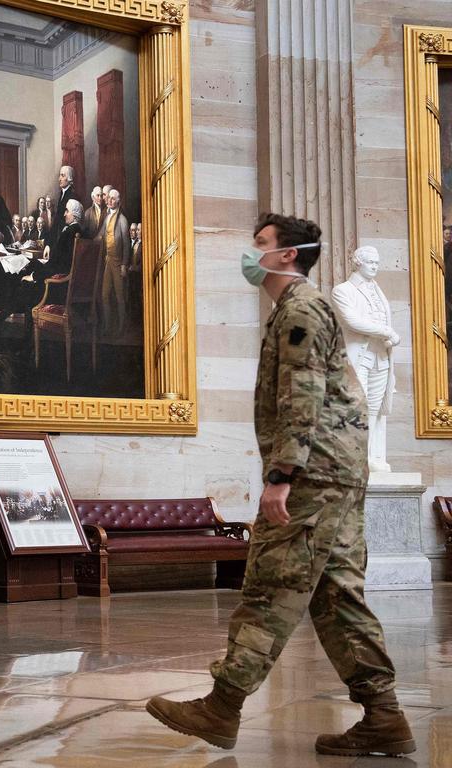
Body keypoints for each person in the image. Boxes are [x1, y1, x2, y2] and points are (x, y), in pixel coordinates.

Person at [146, 213, 415, 758]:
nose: (252, 253)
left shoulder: (303, 309)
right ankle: (383, 716)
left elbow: (303, 392)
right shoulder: (298, 309)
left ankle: (222, 706)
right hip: (333, 469)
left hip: (315, 471)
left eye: (261, 244)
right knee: (337, 596)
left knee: (271, 584)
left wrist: (281, 475)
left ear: (288, 254)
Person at [331, 246, 399, 472]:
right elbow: (352, 321)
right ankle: (355, 459)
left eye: (377, 263)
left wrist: (387, 337)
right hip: (359, 356)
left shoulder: (378, 291)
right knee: (356, 406)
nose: (375, 267)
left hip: (381, 356)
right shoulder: (343, 290)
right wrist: (387, 332)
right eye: (370, 262)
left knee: (375, 409)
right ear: (357, 263)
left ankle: (374, 457)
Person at [98, 188, 130, 336]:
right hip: (108, 260)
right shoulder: (107, 218)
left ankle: (121, 328)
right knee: (104, 295)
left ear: (118, 201)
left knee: (119, 296)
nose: (109, 200)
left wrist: (124, 264)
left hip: (118, 263)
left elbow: (126, 244)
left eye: (112, 198)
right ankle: (107, 326)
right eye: (108, 198)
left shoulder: (122, 220)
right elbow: (100, 237)